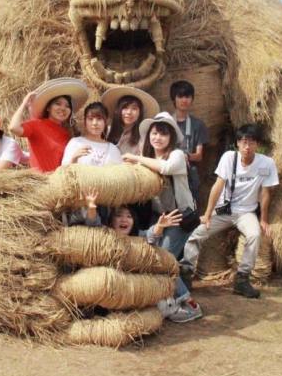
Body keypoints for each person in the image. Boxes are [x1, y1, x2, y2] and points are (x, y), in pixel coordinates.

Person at [180, 124, 279, 299]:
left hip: (246, 212)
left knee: (255, 235)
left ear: (257, 144)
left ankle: (242, 279)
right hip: (224, 209)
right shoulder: (229, 158)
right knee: (197, 234)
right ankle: (186, 273)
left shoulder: (267, 163)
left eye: (251, 142)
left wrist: (263, 219)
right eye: (243, 142)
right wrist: (209, 214)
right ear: (237, 144)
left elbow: (265, 193)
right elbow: (218, 186)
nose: (247, 146)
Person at [107, 205, 202, 323]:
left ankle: (186, 304)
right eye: (119, 215)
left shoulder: (137, 236)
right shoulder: (104, 240)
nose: (124, 219)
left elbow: (150, 235)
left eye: (129, 216)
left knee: (162, 263)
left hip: (144, 287)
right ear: (111, 220)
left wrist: (159, 226)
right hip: (122, 291)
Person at [122, 112, 196, 259]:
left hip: (178, 217)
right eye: (154, 133)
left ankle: (180, 282)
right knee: (149, 254)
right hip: (157, 216)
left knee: (163, 258)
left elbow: (166, 168)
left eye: (163, 134)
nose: (157, 138)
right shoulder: (147, 158)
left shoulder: (178, 155)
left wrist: (136, 158)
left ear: (171, 137)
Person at [102, 87, 160, 229]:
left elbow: (146, 162)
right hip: (109, 189)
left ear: (140, 113)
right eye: (125, 107)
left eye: (134, 108)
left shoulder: (144, 135)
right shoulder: (107, 131)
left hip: (135, 192)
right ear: (118, 110)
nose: (129, 112)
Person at [9, 78, 88, 173]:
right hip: (41, 182)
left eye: (67, 106)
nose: (63, 108)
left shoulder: (68, 134)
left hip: (60, 182)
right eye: (58, 104)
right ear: (48, 108)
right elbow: (13, 128)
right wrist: (24, 103)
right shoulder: (36, 125)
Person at [61, 102, 122, 225]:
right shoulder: (76, 142)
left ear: (106, 122)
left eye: (99, 119)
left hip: (103, 203)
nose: (95, 123)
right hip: (78, 202)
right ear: (85, 121)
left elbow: (119, 180)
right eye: (91, 119)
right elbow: (63, 173)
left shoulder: (113, 149)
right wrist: (74, 158)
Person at [169, 80, 209, 202]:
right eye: (180, 96)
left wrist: (186, 156)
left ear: (192, 99)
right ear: (173, 99)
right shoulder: (166, 123)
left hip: (189, 174)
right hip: (168, 172)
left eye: (188, 96)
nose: (184, 100)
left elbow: (199, 156)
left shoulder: (198, 125)